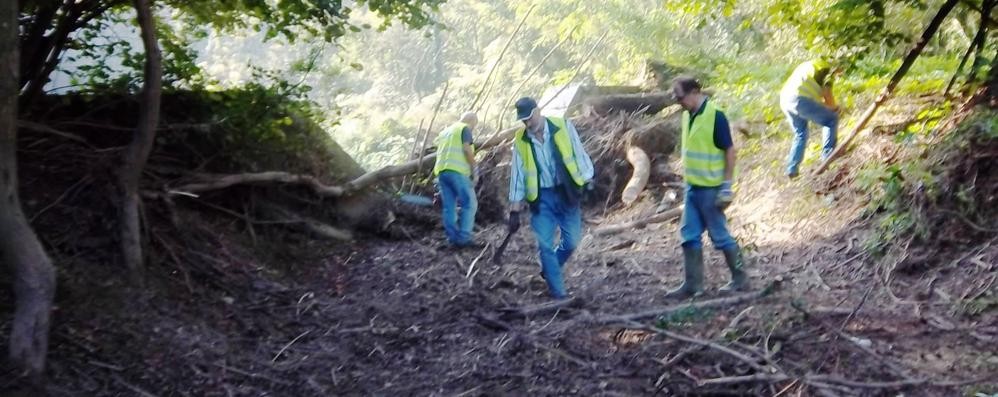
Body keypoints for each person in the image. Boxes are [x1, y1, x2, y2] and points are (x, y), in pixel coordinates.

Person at [665, 76, 748, 299]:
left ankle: (740, 279)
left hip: (711, 189)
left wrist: (727, 186)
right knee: (689, 236)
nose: (678, 102)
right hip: (692, 188)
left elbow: (730, 152)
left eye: (680, 97)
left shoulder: (715, 116)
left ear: (694, 92)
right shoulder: (687, 116)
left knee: (720, 236)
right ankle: (693, 285)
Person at [507, 97, 594, 300]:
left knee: (571, 241)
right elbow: (518, 176)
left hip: (567, 192)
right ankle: (559, 294)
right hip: (541, 199)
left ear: (538, 111)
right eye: (523, 121)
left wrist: (588, 179)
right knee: (545, 245)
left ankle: (550, 267)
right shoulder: (521, 140)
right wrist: (514, 210)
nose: (527, 124)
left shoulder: (562, 126)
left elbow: (578, 153)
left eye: (529, 118)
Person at [780, 59, 840, 178]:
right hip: (801, 99)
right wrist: (835, 108)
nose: (840, 73)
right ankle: (828, 158)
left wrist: (827, 106)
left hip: (785, 99)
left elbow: (816, 95)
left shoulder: (810, 65)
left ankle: (792, 169)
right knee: (831, 120)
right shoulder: (828, 70)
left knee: (800, 133)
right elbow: (827, 94)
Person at [432, 112, 479, 248]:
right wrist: (474, 168)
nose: (473, 129)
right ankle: (464, 239)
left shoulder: (445, 132)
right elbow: (466, 149)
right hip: (458, 172)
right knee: (469, 203)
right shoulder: (464, 128)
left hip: (442, 172)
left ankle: (452, 239)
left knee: (449, 207)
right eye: (474, 126)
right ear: (471, 121)